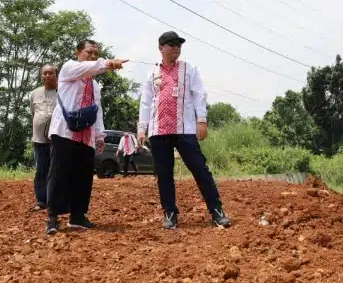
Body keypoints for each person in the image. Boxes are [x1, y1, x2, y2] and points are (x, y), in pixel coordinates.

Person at [138, 31, 232, 229]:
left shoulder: (189, 69)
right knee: (164, 174)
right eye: (171, 44)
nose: (176, 48)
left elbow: (199, 94)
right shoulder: (151, 74)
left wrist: (202, 120)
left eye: (178, 44)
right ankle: (170, 214)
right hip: (158, 130)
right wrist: (141, 129)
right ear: (160, 48)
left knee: (200, 169)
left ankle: (216, 211)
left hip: (185, 129)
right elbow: (146, 102)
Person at [45, 39, 127, 235]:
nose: (92, 56)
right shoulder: (69, 69)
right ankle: (53, 217)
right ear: (78, 52)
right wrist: (108, 63)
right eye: (88, 52)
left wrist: (100, 135)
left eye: (95, 54)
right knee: (59, 174)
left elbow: (97, 111)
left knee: (83, 176)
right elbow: (91, 67)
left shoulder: (95, 85)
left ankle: (78, 215)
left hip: (86, 135)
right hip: (65, 132)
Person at [29, 64, 58, 211]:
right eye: (44, 73)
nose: (47, 76)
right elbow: (33, 113)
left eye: (50, 73)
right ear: (41, 76)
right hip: (39, 140)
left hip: (57, 141)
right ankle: (41, 201)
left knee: (56, 171)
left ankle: (55, 201)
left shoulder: (62, 92)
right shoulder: (35, 93)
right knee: (41, 170)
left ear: (56, 75)